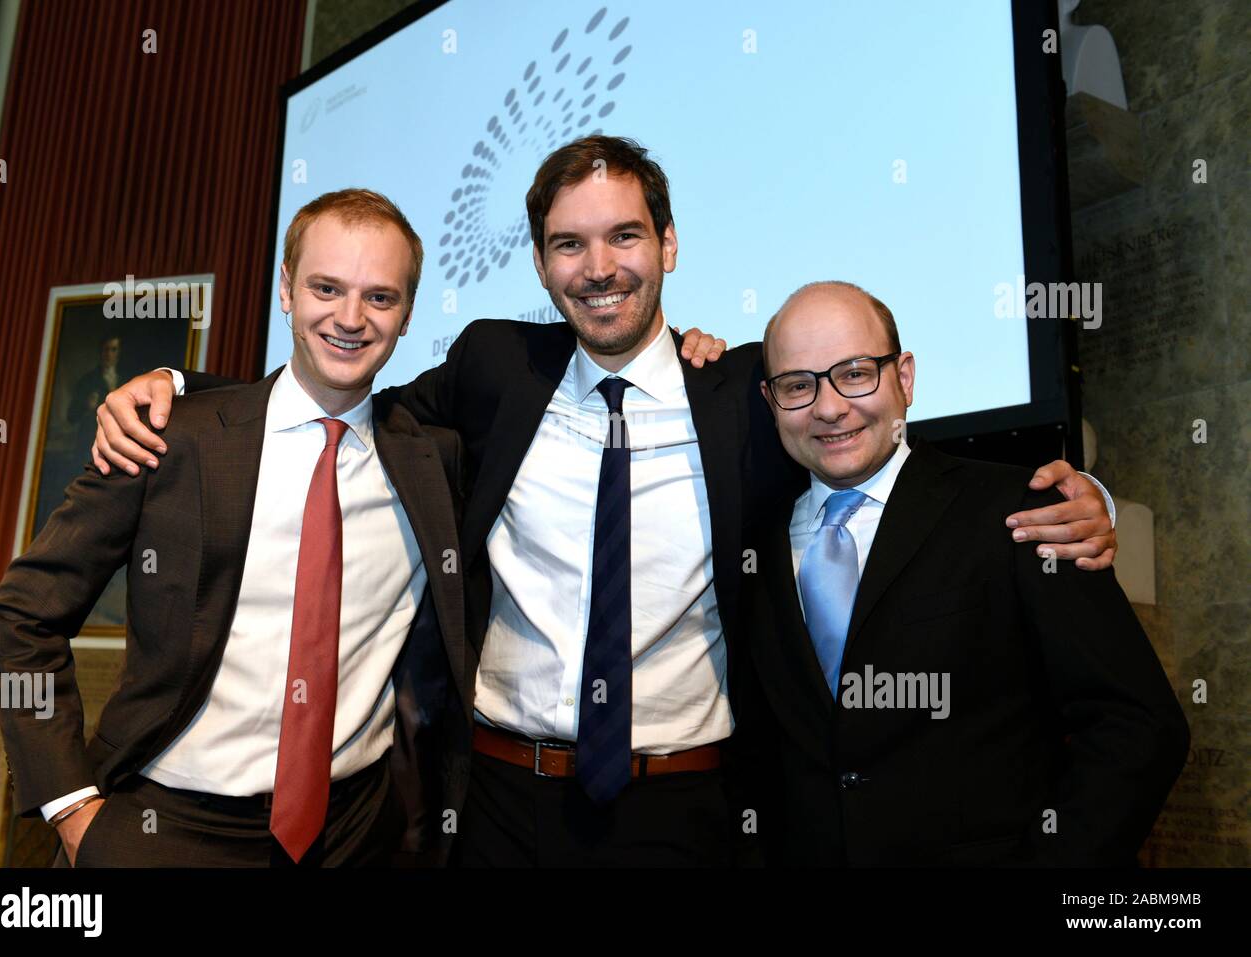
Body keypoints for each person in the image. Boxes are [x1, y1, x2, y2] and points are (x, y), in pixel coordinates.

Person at [91, 136, 1117, 866]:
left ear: (667, 245)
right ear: (541, 264)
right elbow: (355, 400)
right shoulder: (499, 363)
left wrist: (1073, 488)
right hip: (495, 797)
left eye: (623, 236)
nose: (598, 268)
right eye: (568, 246)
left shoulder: (748, 391)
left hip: (686, 807)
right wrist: (185, 390)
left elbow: (865, 432)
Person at [0, 189, 468, 867]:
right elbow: (20, 617)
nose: (351, 318)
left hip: (354, 834)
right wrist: (70, 808)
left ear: (409, 314)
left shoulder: (431, 460)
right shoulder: (165, 439)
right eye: (326, 287)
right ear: (286, 290)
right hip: (164, 829)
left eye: (380, 297)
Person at [743, 281, 1189, 865]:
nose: (829, 407)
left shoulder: (1023, 513)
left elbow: (1139, 727)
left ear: (904, 377)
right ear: (772, 400)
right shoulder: (753, 546)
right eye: (798, 385)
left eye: (855, 373)